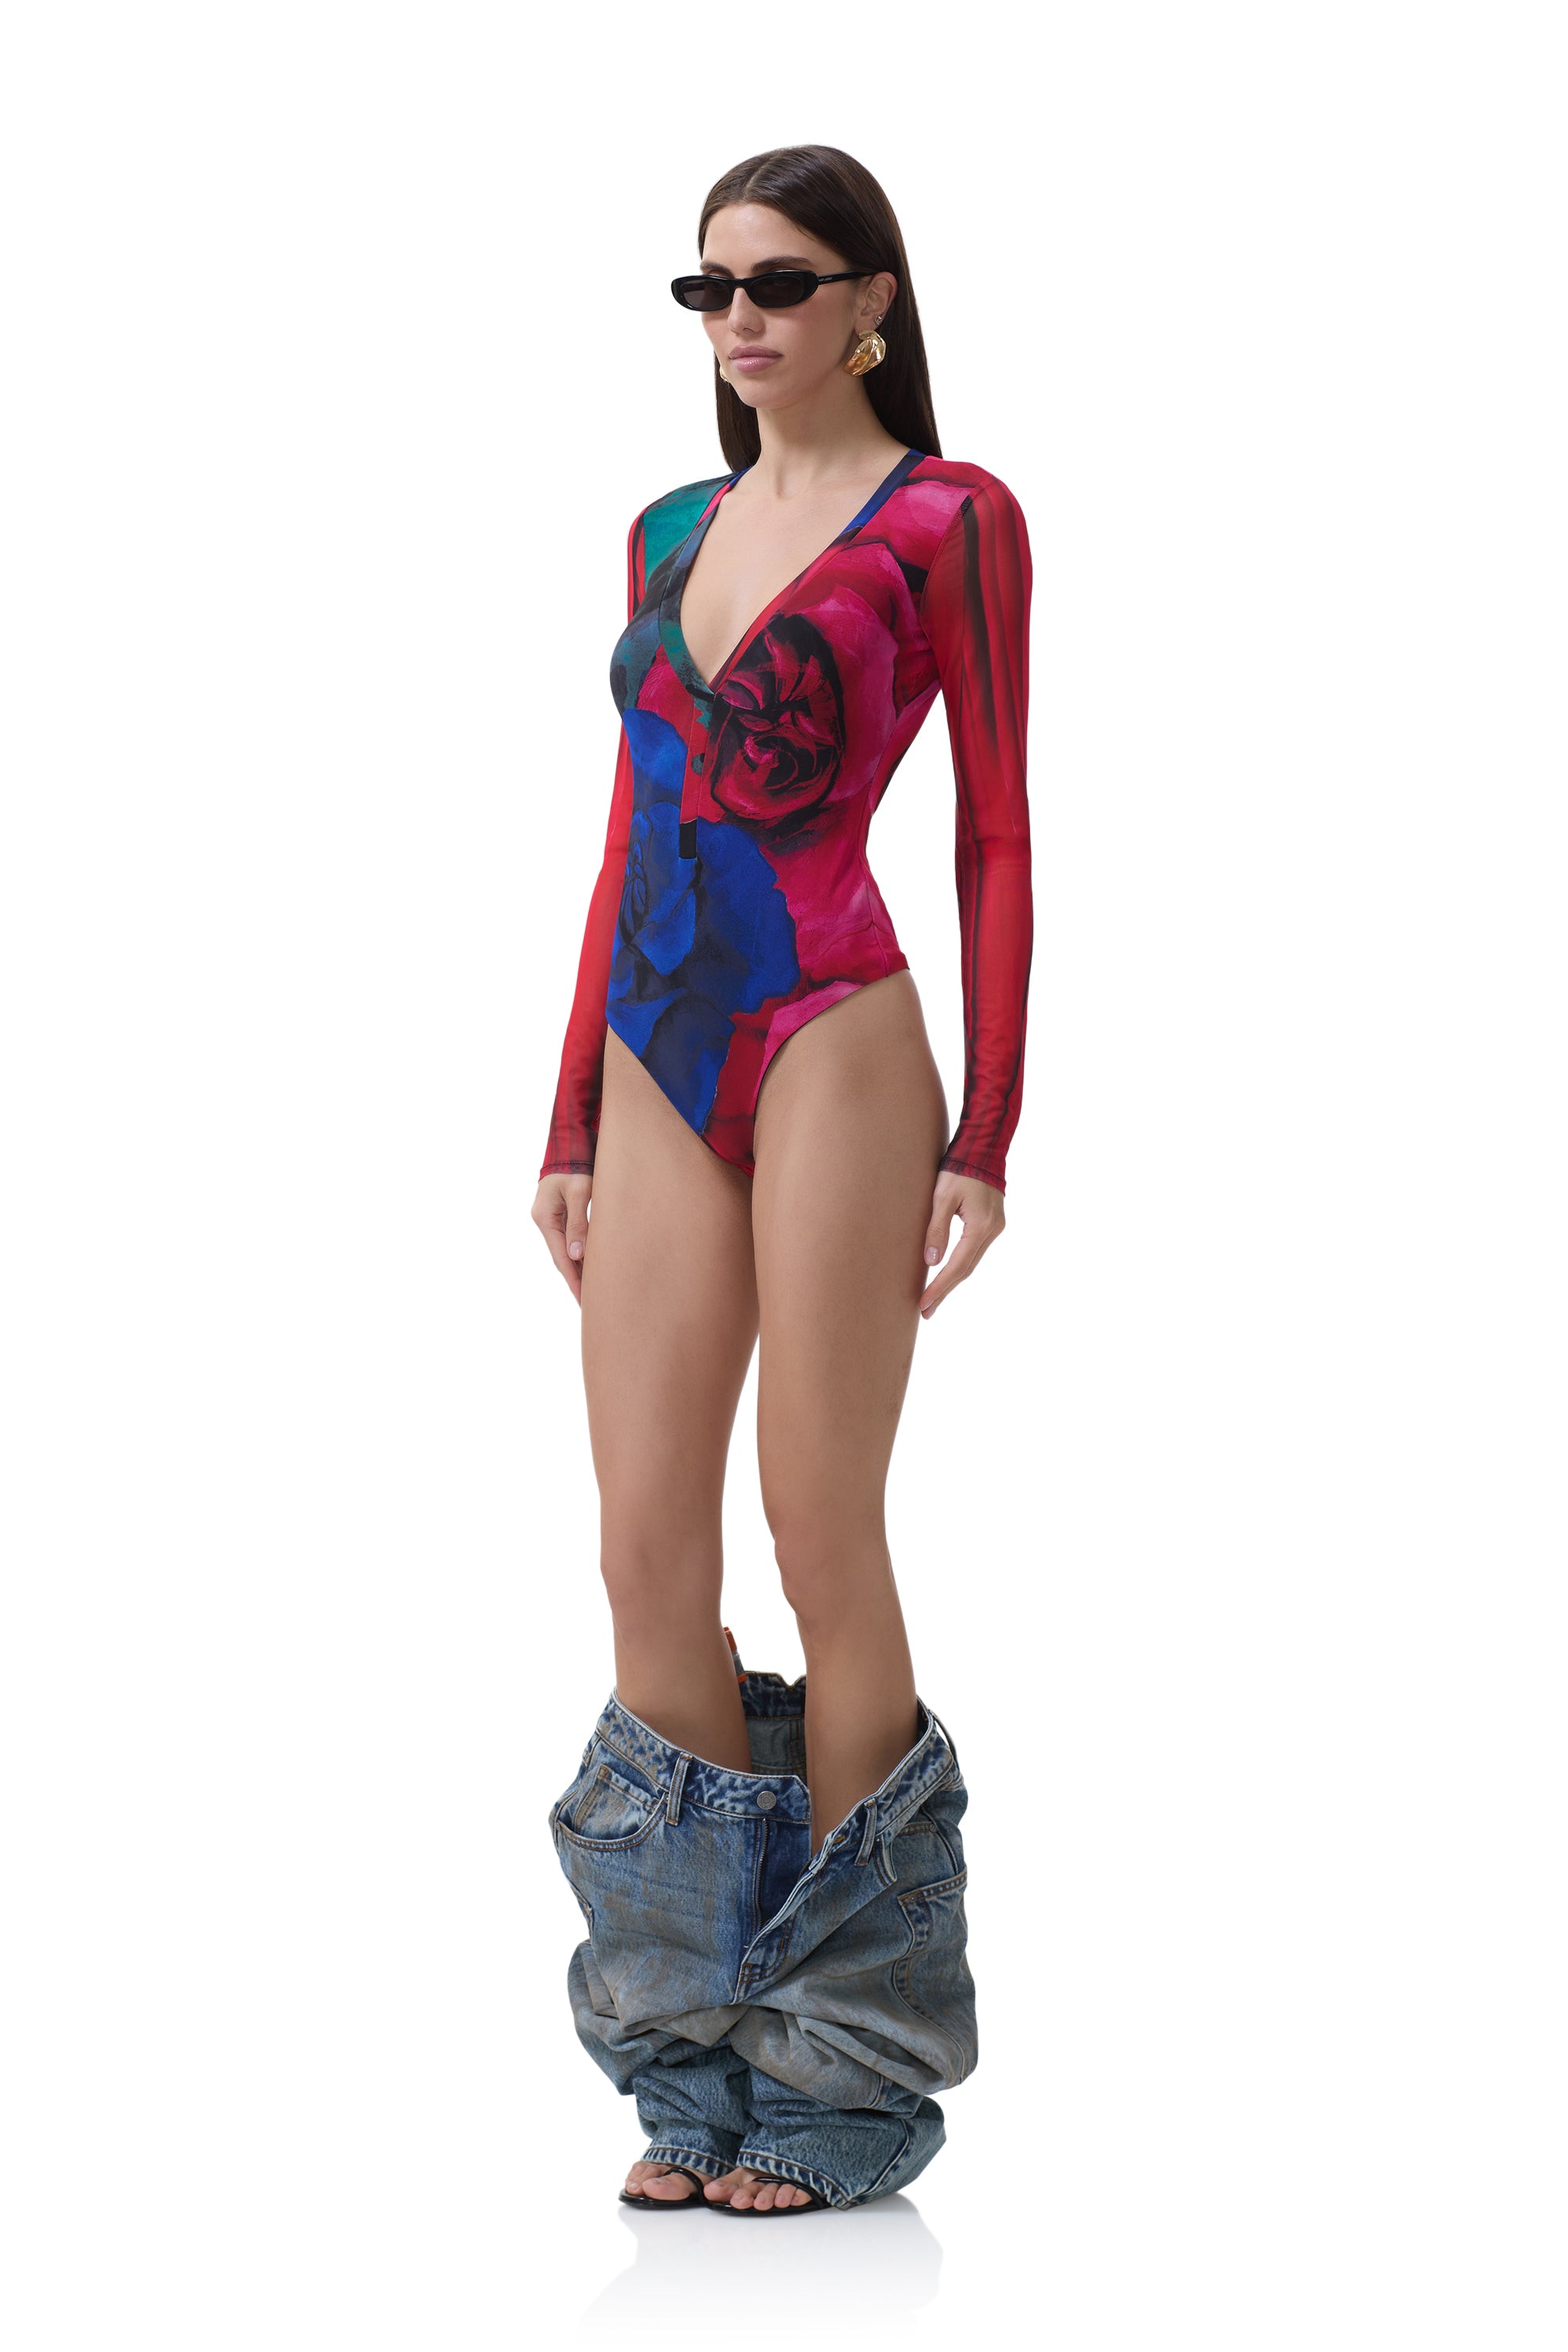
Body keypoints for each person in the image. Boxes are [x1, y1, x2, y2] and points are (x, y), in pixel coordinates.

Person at [532, 143, 1032, 2216]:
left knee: (822, 1526)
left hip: (836, 1031)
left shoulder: (951, 520)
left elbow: (995, 831)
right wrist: (568, 1115)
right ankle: (690, 2053)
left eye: (780, 282)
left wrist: (989, 1130)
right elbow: (629, 829)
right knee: (646, 1545)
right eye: (709, 287)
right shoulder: (669, 528)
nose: (738, 319)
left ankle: (850, 2067)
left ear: (871, 305)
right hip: (662, 1051)